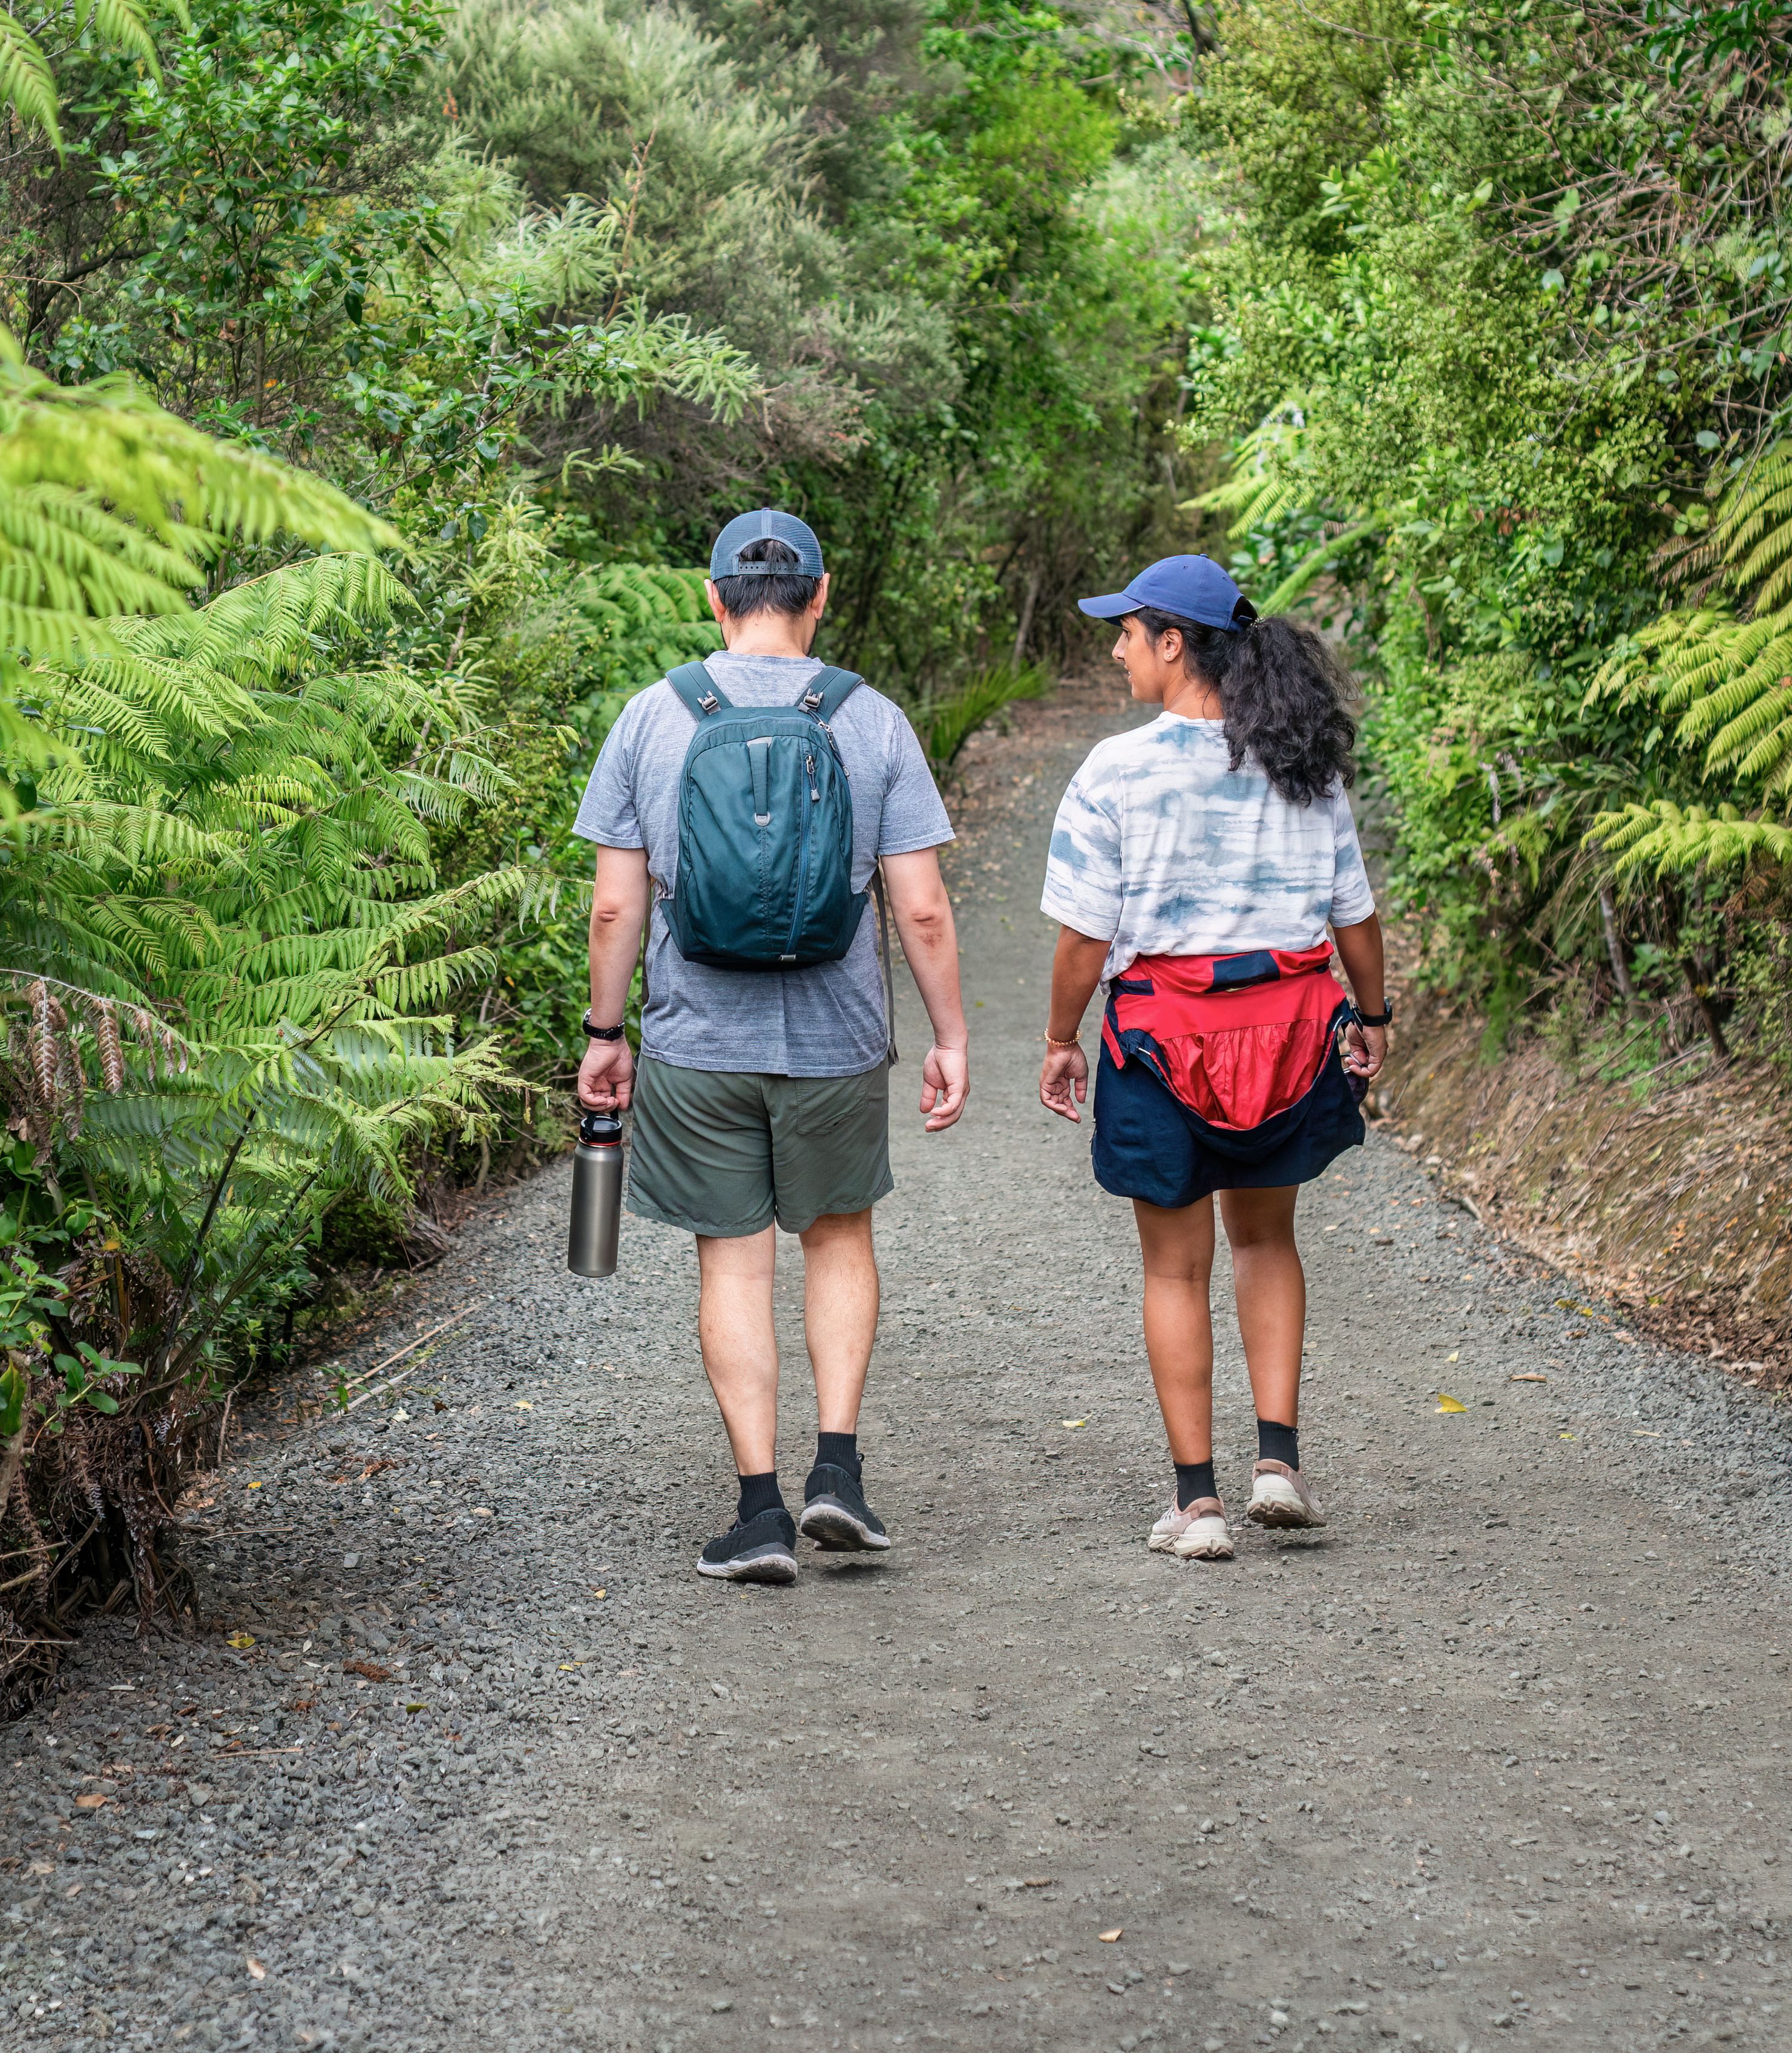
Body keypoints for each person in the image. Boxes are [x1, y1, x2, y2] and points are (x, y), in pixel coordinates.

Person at [575, 509, 970, 1586]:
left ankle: (757, 1513)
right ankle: (835, 1473)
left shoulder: (654, 718)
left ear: (713, 598)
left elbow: (616, 910)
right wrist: (948, 1035)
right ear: (821, 595)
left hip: (698, 1042)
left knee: (733, 1260)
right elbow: (922, 909)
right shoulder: (871, 718)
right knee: (839, 1238)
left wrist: (608, 1035)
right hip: (837, 1041)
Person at [1037, 554, 1388, 1560]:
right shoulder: (1297, 759)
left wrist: (1063, 1041)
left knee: (1174, 1269)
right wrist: (1372, 1017)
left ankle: (1195, 1507)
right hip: (1287, 1040)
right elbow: (1353, 915)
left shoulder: (1114, 772)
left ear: (1173, 642)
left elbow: (1080, 942)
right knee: (1267, 1242)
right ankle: (1277, 1464)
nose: (1116, 651)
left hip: (1161, 1044)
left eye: (1126, 633)